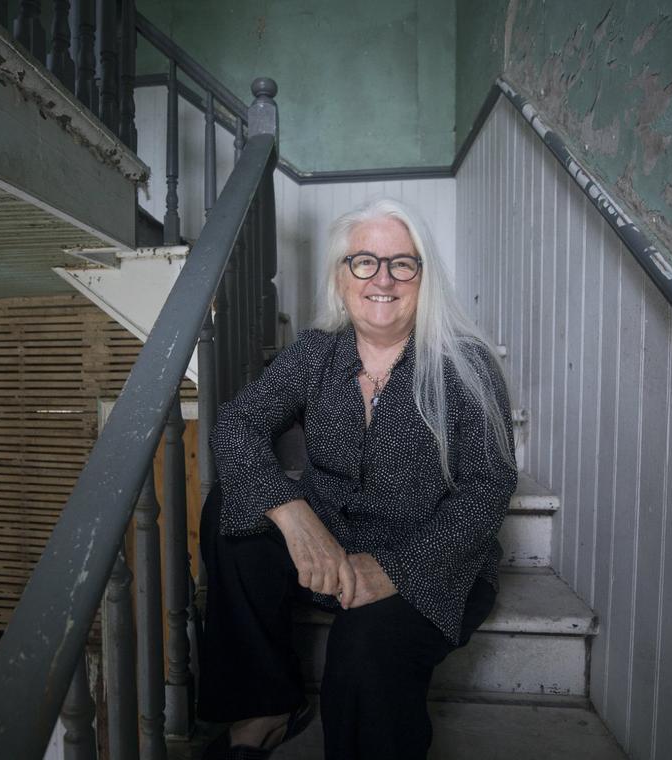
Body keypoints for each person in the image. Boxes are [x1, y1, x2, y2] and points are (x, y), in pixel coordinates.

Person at [197, 198, 518, 759]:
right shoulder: (318, 351)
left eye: (402, 263)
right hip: (328, 549)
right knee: (233, 511)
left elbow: (487, 488)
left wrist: (395, 571)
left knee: (365, 646)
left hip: (431, 560)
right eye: (364, 262)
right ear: (342, 278)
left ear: (424, 276)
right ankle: (265, 705)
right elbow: (239, 423)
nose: (383, 279)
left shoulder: (464, 362)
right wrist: (294, 516)